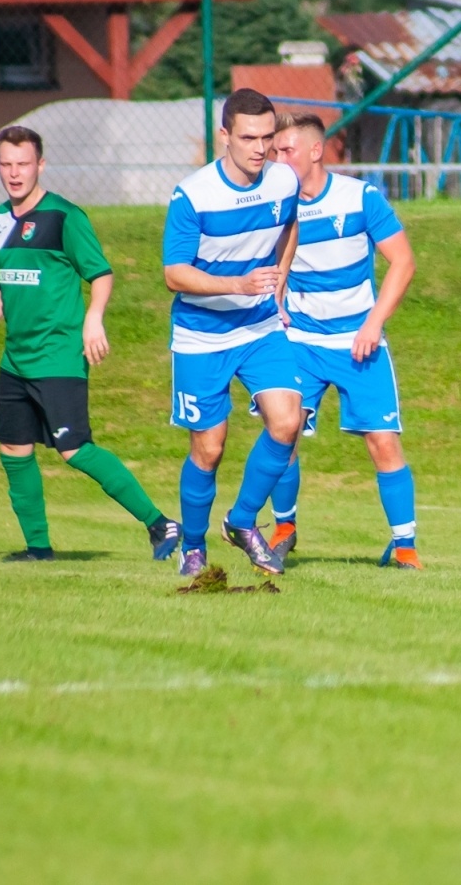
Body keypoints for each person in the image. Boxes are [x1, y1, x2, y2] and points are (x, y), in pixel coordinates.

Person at [0, 126, 181, 562]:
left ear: (40, 165)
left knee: (74, 449)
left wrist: (93, 320)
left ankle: (160, 524)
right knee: (13, 449)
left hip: (58, 357)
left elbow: (100, 274)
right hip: (15, 360)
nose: (14, 173)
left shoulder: (65, 217)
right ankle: (38, 549)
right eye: (6, 164)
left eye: (23, 163)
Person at [264, 113, 421, 569]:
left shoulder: (359, 197)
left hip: (359, 341)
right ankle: (284, 527)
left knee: (383, 441)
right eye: (274, 151)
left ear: (316, 151)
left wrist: (373, 323)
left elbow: (404, 262)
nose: (277, 158)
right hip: (300, 342)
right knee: (282, 431)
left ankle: (405, 547)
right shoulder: (276, 205)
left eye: (286, 150)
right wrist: (273, 304)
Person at [162, 89, 302, 576]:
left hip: (260, 327)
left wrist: (277, 286)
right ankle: (194, 546)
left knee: (287, 421)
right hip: (202, 336)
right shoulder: (193, 195)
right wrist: (237, 284)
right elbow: (174, 274)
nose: (260, 148)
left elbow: (289, 228)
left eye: (268, 138)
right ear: (224, 135)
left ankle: (242, 522)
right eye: (248, 137)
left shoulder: (284, 180)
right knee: (209, 448)